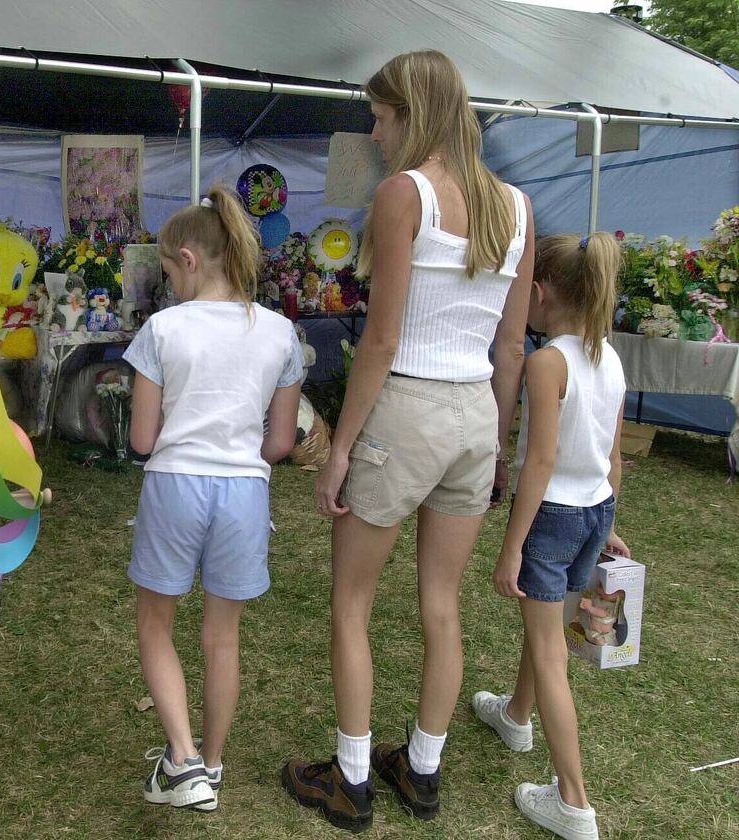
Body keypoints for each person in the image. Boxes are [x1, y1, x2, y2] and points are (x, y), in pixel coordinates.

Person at [281, 49, 535, 833]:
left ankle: (352, 778)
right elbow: (512, 348)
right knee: (441, 606)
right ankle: (421, 770)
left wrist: (343, 445)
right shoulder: (516, 206)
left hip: (407, 410)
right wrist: (496, 445)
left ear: (413, 112)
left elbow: (383, 340)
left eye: (382, 115)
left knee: (351, 603)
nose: (375, 130)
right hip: (472, 417)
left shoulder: (405, 195)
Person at [123, 184, 305, 813]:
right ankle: (213, 765)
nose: (168, 281)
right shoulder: (280, 332)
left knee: (156, 624)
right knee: (222, 638)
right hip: (245, 491)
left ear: (189, 260)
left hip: (175, 483)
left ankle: (181, 759)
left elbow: (143, 439)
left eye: (167, 269)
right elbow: (280, 441)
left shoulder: (162, 328)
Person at [473, 232, 627, 840]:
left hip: (554, 518)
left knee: (550, 652)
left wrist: (512, 545)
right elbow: (613, 455)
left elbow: (537, 463)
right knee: (546, 635)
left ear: (539, 294)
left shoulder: (546, 362)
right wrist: (609, 522)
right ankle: (516, 716)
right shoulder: (609, 357)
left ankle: (573, 802)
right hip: (593, 512)